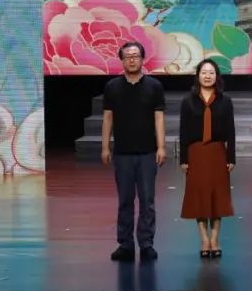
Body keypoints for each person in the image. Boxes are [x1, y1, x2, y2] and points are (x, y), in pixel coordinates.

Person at [101, 41, 166, 262]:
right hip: (122, 153)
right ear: (121, 60)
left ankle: (146, 244)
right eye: (128, 56)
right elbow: (107, 118)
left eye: (136, 56)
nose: (132, 59)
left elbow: (159, 119)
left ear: (142, 59)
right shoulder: (112, 87)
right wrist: (105, 147)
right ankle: (125, 244)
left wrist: (161, 147)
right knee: (125, 201)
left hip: (147, 153)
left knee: (147, 201)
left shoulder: (154, 86)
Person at [179, 59, 236, 259]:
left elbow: (231, 131)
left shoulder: (225, 101)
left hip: (217, 152)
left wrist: (231, 157)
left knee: (217, 196)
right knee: (200, 197)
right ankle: (204, 238)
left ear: (217, 76)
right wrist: (183, 159)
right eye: (204, 72)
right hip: (196, 152)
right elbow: (183, 131)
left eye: (211, 72)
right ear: (198, 76)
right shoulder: (188, 101)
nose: (207, 76)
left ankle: (215, 238)